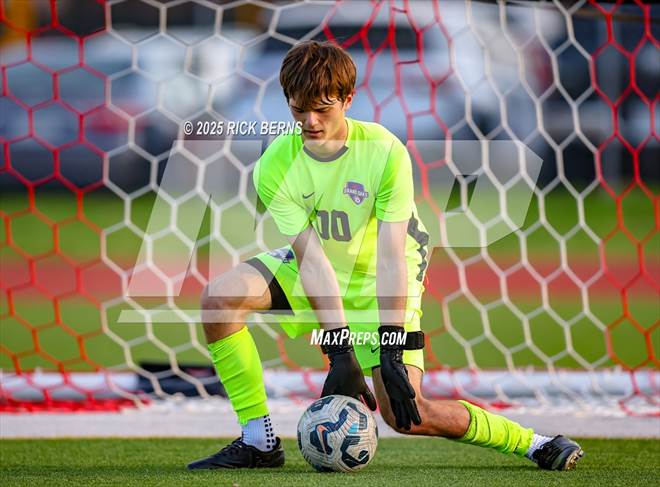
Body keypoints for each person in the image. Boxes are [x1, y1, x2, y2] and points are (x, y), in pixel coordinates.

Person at [187, 40, 583, 471]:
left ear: (348, 100)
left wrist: (391, 347)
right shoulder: (275, 165)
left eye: (322, 108)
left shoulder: (383, 151)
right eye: (299, 109)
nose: (310, 121)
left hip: (385, 277)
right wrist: (340, 351)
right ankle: (259, 440)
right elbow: (312, 260)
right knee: (220, 299)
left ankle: (535, 443)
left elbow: (393, 258)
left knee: (408, 415)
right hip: (319, 265)